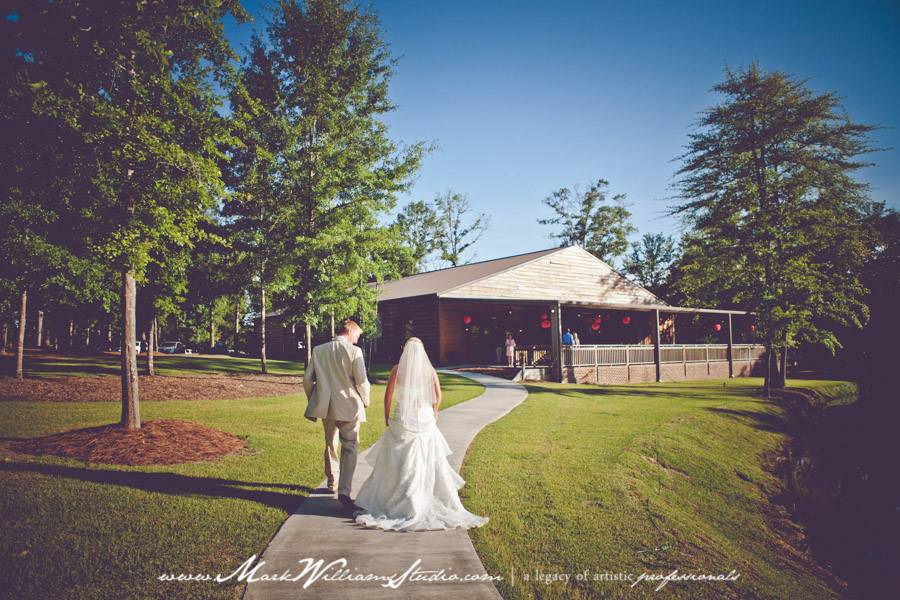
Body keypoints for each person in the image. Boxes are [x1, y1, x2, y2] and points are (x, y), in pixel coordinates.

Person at [353, 337, 489, 531]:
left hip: (402, 418)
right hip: (424, 417)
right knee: (425, 459)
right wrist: (433, 412)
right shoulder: (429, 370)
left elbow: (388, 397)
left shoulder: (396, 369)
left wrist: (386, 417)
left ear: (405, 351)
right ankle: (421, 497)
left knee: (398, 460)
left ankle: (397, 499)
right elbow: (439, 396)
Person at [303, 319, 371, 513]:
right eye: (357, 335)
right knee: (350, 447)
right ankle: (344, 491)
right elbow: (362, 382)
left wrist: (314, 400)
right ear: (349, 332)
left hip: (326, 406)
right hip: (349, 405)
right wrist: (365, 400)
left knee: (330, 442)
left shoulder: (318, 350)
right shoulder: (354, 352)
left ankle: (332, 481)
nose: (357, 340)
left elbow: (307, 379)